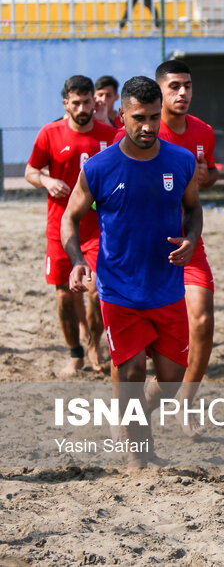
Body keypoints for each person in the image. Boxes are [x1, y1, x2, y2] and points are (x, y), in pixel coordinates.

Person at [62, 76, 201, 469]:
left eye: (154, 117)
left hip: (168, 287)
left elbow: (193, 209)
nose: (148, 126)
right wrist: (77, 260)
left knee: (172, 379)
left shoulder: (180, 161)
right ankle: (140, 458)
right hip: (118, 289)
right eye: (138, 117)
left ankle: (126, 416)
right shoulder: (100, 167)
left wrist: (191, 238)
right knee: (133, 371)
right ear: (121, 115)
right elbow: (70, 220)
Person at [25, 75, 117, 377]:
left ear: (95, 102)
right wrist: (47, 180)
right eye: (75, 103)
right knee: (64, 294)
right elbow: (30, 171)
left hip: (98, 230)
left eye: (86, 102)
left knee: (95, 292)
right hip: (60, 230)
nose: (81, 108)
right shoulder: (49, 134)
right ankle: (75, 354)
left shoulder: (110, 134)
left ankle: (94, 344)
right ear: (66, 103)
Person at [150, 60, 219, 437]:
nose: (183, 93)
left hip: (188, 241)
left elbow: (202, 185)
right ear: (159, 90)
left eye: (187, 86)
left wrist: (208, 177)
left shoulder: (202, 132)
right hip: (144, 248)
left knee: (204, 320)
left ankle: (186, 402)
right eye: (174, 86)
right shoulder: (139, 131)